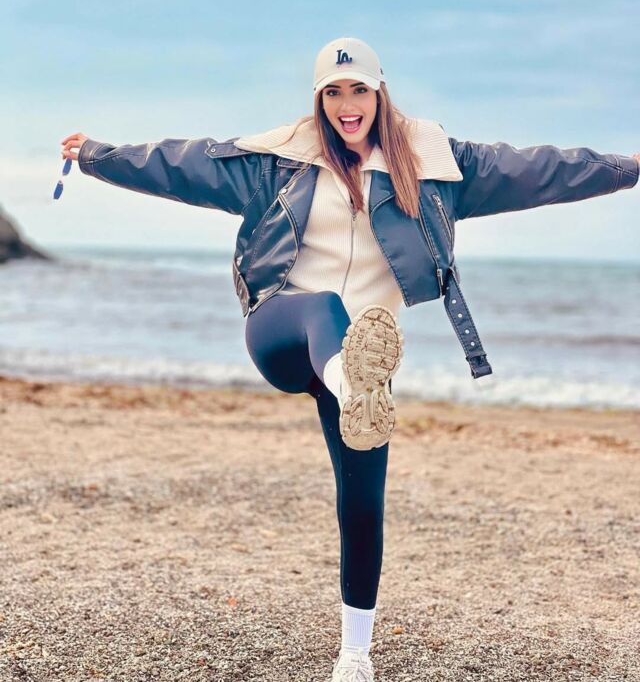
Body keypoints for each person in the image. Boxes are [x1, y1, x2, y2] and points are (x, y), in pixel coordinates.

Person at [60, 36, 639, 681]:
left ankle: (355, 656)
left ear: (379, 92)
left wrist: (630, 168)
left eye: (358, 89)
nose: (346, 104)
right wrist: (97, 156)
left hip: (367, 359)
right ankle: (350, 381)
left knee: (362, 504)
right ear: (319, 99)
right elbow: (180, 165)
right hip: (285, 329)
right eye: (332, 92)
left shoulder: (434, 165)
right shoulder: (277, 163)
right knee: (325, 307)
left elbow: (541, 169)